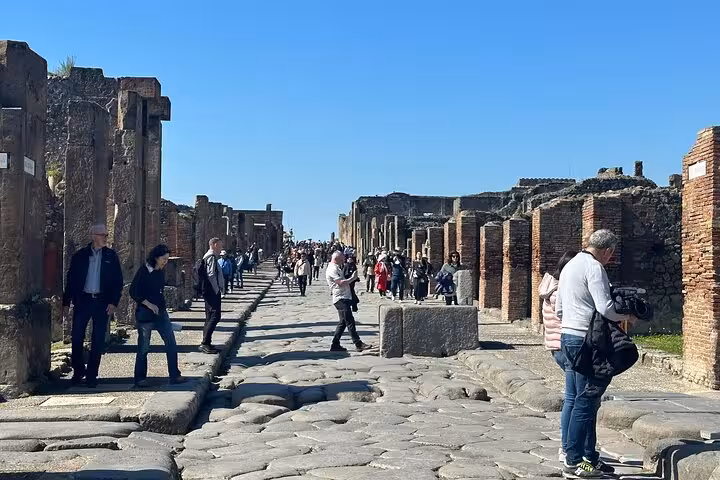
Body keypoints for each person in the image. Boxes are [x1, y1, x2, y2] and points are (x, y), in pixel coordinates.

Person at [556, 230, 634, 478]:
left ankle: (587, 457)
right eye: (611, 254)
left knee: (576, 399)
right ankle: (574, 460)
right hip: (586, 340)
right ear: (608, 250)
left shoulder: (570, 266)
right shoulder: (594, 267)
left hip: (568, 336)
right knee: (586, 402)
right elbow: (605, 308)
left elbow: (559, 308)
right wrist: (626, 316)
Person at [63, 224, 124, 388]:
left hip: (102, 302)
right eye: (102, 234)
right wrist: (66, 301)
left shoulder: (111, 256)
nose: (105, 237)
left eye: (106, 234)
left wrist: (113, 302)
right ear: (93, 236)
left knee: (97, 340)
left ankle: (92, 375)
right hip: (83, 301)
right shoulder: (80, 256)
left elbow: (118, 281)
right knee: (76, 337)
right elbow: (71, 279)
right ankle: (78, 372)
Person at [538, 251, 577, 463]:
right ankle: (567, 447)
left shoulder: (550, 286)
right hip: (566, 346)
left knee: (576, 398)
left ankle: (573, 446)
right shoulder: (559, 291)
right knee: (575, 399)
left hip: (556, 346)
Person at [130, 244, 186, 388]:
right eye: (163, 259)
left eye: (167, 259)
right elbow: (133, 291)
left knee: (171, 343)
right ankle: (140, 378)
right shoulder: (144, 271)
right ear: (155, 257)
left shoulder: (161, 271)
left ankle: (174, 375)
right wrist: (148, 304)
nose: (165, 262)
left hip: (161, 313)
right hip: (145, 314)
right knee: (144, 347)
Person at [326, 251, 371, 352]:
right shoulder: (332, 269)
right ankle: (358, 344)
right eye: (342, 259)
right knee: (350, 321)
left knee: (343, 322)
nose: (343, 260)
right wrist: (352, 278)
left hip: (344, 296)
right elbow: (340, 283)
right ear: (336, 258)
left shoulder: (337, 267)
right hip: (340, 298)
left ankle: (335, 344)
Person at [200, 238, 223, 354]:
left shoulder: (210, 257)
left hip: (210, 291)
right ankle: (204, 343)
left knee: (210, 317)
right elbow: (211, 275)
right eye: (219, 246)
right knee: (215, 316)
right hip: (211, 292)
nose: (221, 249)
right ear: (214, 245)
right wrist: (217, 289)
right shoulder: (211, 257)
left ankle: (207, 343)